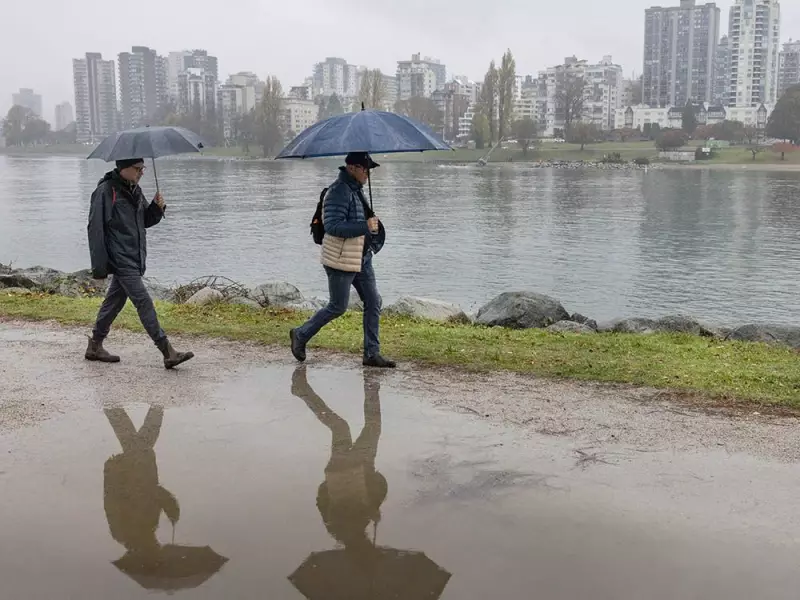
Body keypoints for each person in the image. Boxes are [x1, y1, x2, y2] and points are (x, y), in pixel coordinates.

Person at [85, 158, 193, 369]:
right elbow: (95, 230)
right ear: (123, 168)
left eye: (143, 168)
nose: (141, 172)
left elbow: (144, 220)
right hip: (120, 258)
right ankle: (167, 351)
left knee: (115, 301)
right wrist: (99, 269)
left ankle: (95, 345)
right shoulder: (106, 192)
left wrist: (157, 208)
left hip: (134, 258)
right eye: (137, 168)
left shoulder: (135, 190)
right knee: (143, 302)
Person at [290, 152, 395, 368]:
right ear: (353, 168)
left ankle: (371, 354)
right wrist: (364, 226)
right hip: (341, 259)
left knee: (374, 302)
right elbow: (333, 226)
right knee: (338, 306)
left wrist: (371, 229)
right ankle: (300, 334)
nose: (368, 173)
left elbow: (358, 219)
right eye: (365, 169)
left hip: (361, 257)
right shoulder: (337, 192)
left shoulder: (356, 190)